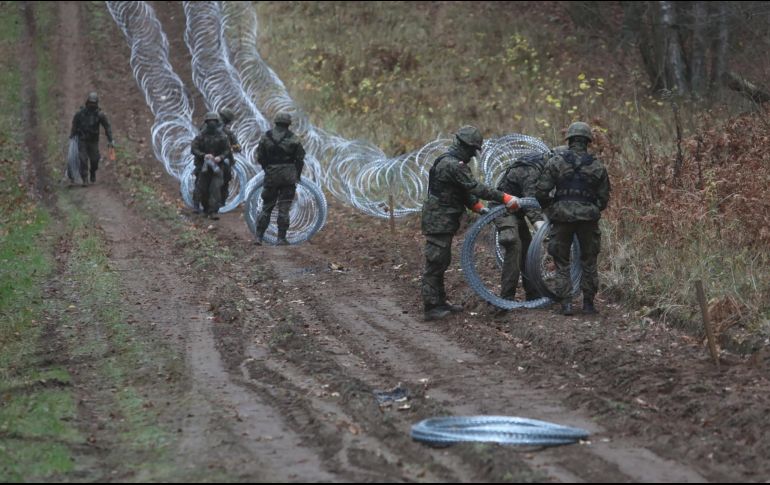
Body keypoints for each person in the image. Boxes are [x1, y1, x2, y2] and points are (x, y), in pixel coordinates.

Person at [421, 125, 520, 322]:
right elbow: (475, 187)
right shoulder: (453, 165)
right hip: (438, 221)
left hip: (442, 220)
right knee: (436, 262)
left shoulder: (448, 162)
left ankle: (440, 302)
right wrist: (506, 197)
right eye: (472, 150)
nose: (473, 155)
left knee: (441, 260)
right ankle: (432, 307)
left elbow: (461, 191)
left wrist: (477, 207)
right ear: (465, 147)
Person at [535, 122, 611, 315]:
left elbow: (541, 191)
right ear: (588, 141)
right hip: (588, 218)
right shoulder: (597, 165)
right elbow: (603, 200)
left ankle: (566, 303)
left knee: (561, 260)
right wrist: (590, 209)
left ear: (569, 140)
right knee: (589, 260)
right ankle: (588, 304)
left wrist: (552, 209)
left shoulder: (556, 162)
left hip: (562, 217)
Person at [495, 150, 550, 302]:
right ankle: (506, 299)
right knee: (514, 244)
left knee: (528, 249)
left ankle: (533, 295)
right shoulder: (531, 169)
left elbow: (543, 201)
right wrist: (543, 229)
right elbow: (530, 202)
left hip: (516, 212)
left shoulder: (544, 169)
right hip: (502, 209)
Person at [254, 112, 305, 245]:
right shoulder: (294, 138)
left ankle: (259, 237)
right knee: (284, 208)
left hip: (271, 175)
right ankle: (281, 238)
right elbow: (300, 159)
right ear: (288, 124)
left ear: (275, 122)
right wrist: (297, 175)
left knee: (266, 207)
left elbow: (260, 157)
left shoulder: (266, 137)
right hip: (288, 176)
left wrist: (268, 169)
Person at [191, 112, 232, 217]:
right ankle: (201, 207)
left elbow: (227, 150)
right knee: (201, 187)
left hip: (217, 166)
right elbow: (194, 149)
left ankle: (213, 211)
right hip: (203, 166)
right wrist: (204, 155)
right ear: (206, 123)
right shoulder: (201, 135)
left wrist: (220, 157)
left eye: (214, 121)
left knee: (215, 188)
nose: (212, 123)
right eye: (210, 122)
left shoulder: (222, 136)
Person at [69, 92, 113, 185]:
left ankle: (92, 172)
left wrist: (110, 140)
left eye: (94, 103)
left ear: (96, 104)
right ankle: (85, 178)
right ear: (87, 102)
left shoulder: (100, 115)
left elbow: (107, 127)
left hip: (93, 141)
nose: (92, 105)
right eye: (90, 103)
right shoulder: (80, 114)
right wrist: (72, 136)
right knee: (83, 159)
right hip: (82, 140)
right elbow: (74, 123)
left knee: (95, 160)